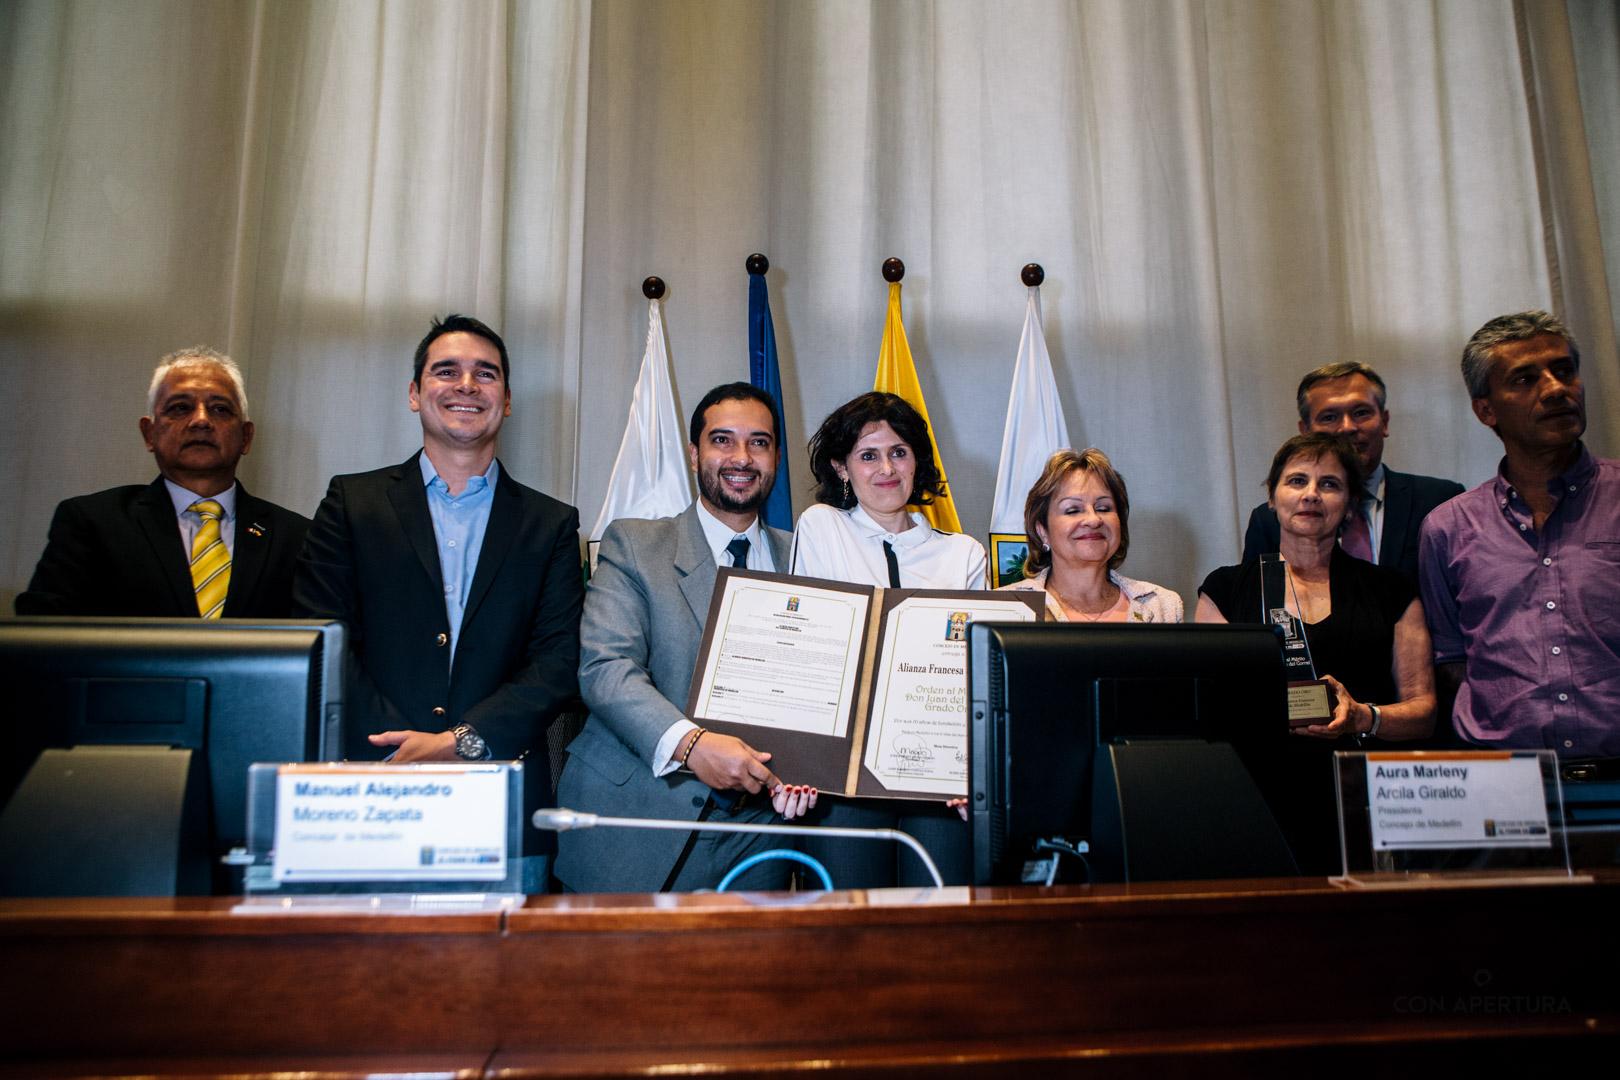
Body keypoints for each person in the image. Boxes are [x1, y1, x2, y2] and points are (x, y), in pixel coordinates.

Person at [292, 314, 584, 887]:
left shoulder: (550, 524)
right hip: (366, 788)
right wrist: (402, 748)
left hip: (502, 799)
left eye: (486, 374)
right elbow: (321, 635)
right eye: (446, 371)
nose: (466, 386)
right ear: (413, 393)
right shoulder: (352, 502)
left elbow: (557, 661)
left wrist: (461, 743)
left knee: (497, 976)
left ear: (506, 401)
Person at [553, 383, 817, 894]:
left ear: (776, 458)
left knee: (747, 975)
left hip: (761, 833)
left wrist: (813, 771)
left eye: (759, 443)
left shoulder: (806, 558)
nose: (741, 457)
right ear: (695, 453)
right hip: (635, 823)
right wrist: (693, 746)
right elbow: (605, 670)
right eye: (723, 440)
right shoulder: (635, 543)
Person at [1198, 433, 1436, 873]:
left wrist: (1365, 716)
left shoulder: (1391, 590)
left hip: (1367, 802)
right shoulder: (1225, 589)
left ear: (1349, 503)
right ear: (1272, 497)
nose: (1311, 494)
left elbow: (1423, 712)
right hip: (1258, 798)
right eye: (1296, 481)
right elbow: (1210, 709)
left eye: (1329, 484)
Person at [788, 391, 985, 888]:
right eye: (868, 455)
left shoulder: (962, 554)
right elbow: (806, 652)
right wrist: (798, 761)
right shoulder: (821, 527)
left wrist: (969, 770)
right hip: (843, 775)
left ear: (917, 461)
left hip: (937, 780)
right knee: (847, 933)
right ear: (841, 468)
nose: (886, 468)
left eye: (898, 452)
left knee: (938, 929)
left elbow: (976, 675)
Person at [1419, 311, 1619, 758]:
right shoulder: (1448, 528)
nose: (1555, 389)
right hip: (1507, 789)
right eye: (1525, 379)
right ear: (1485, 410)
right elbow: (1452, 660)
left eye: (1563, 371)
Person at [17, 347, 308, 618]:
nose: (201, 421)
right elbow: (42, 633)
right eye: (180, 408)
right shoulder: (92, 523)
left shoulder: (296, 536)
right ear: (149, 434)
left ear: (246, 437)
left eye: (220, 409)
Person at [1242, 361, 1464, 586]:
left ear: (1384, 422)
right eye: (1329, 417)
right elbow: (1259, 607)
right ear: (1306, 432)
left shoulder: (1440, 501)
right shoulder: (1271, 520)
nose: (1347, 427)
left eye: (1361, 413)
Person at [997, 448, 1182, 623]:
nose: (1094, 520)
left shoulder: (1160, 605)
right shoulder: (1006, 608)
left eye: (1104, 508)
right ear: (1042, 531)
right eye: (1073, 510)